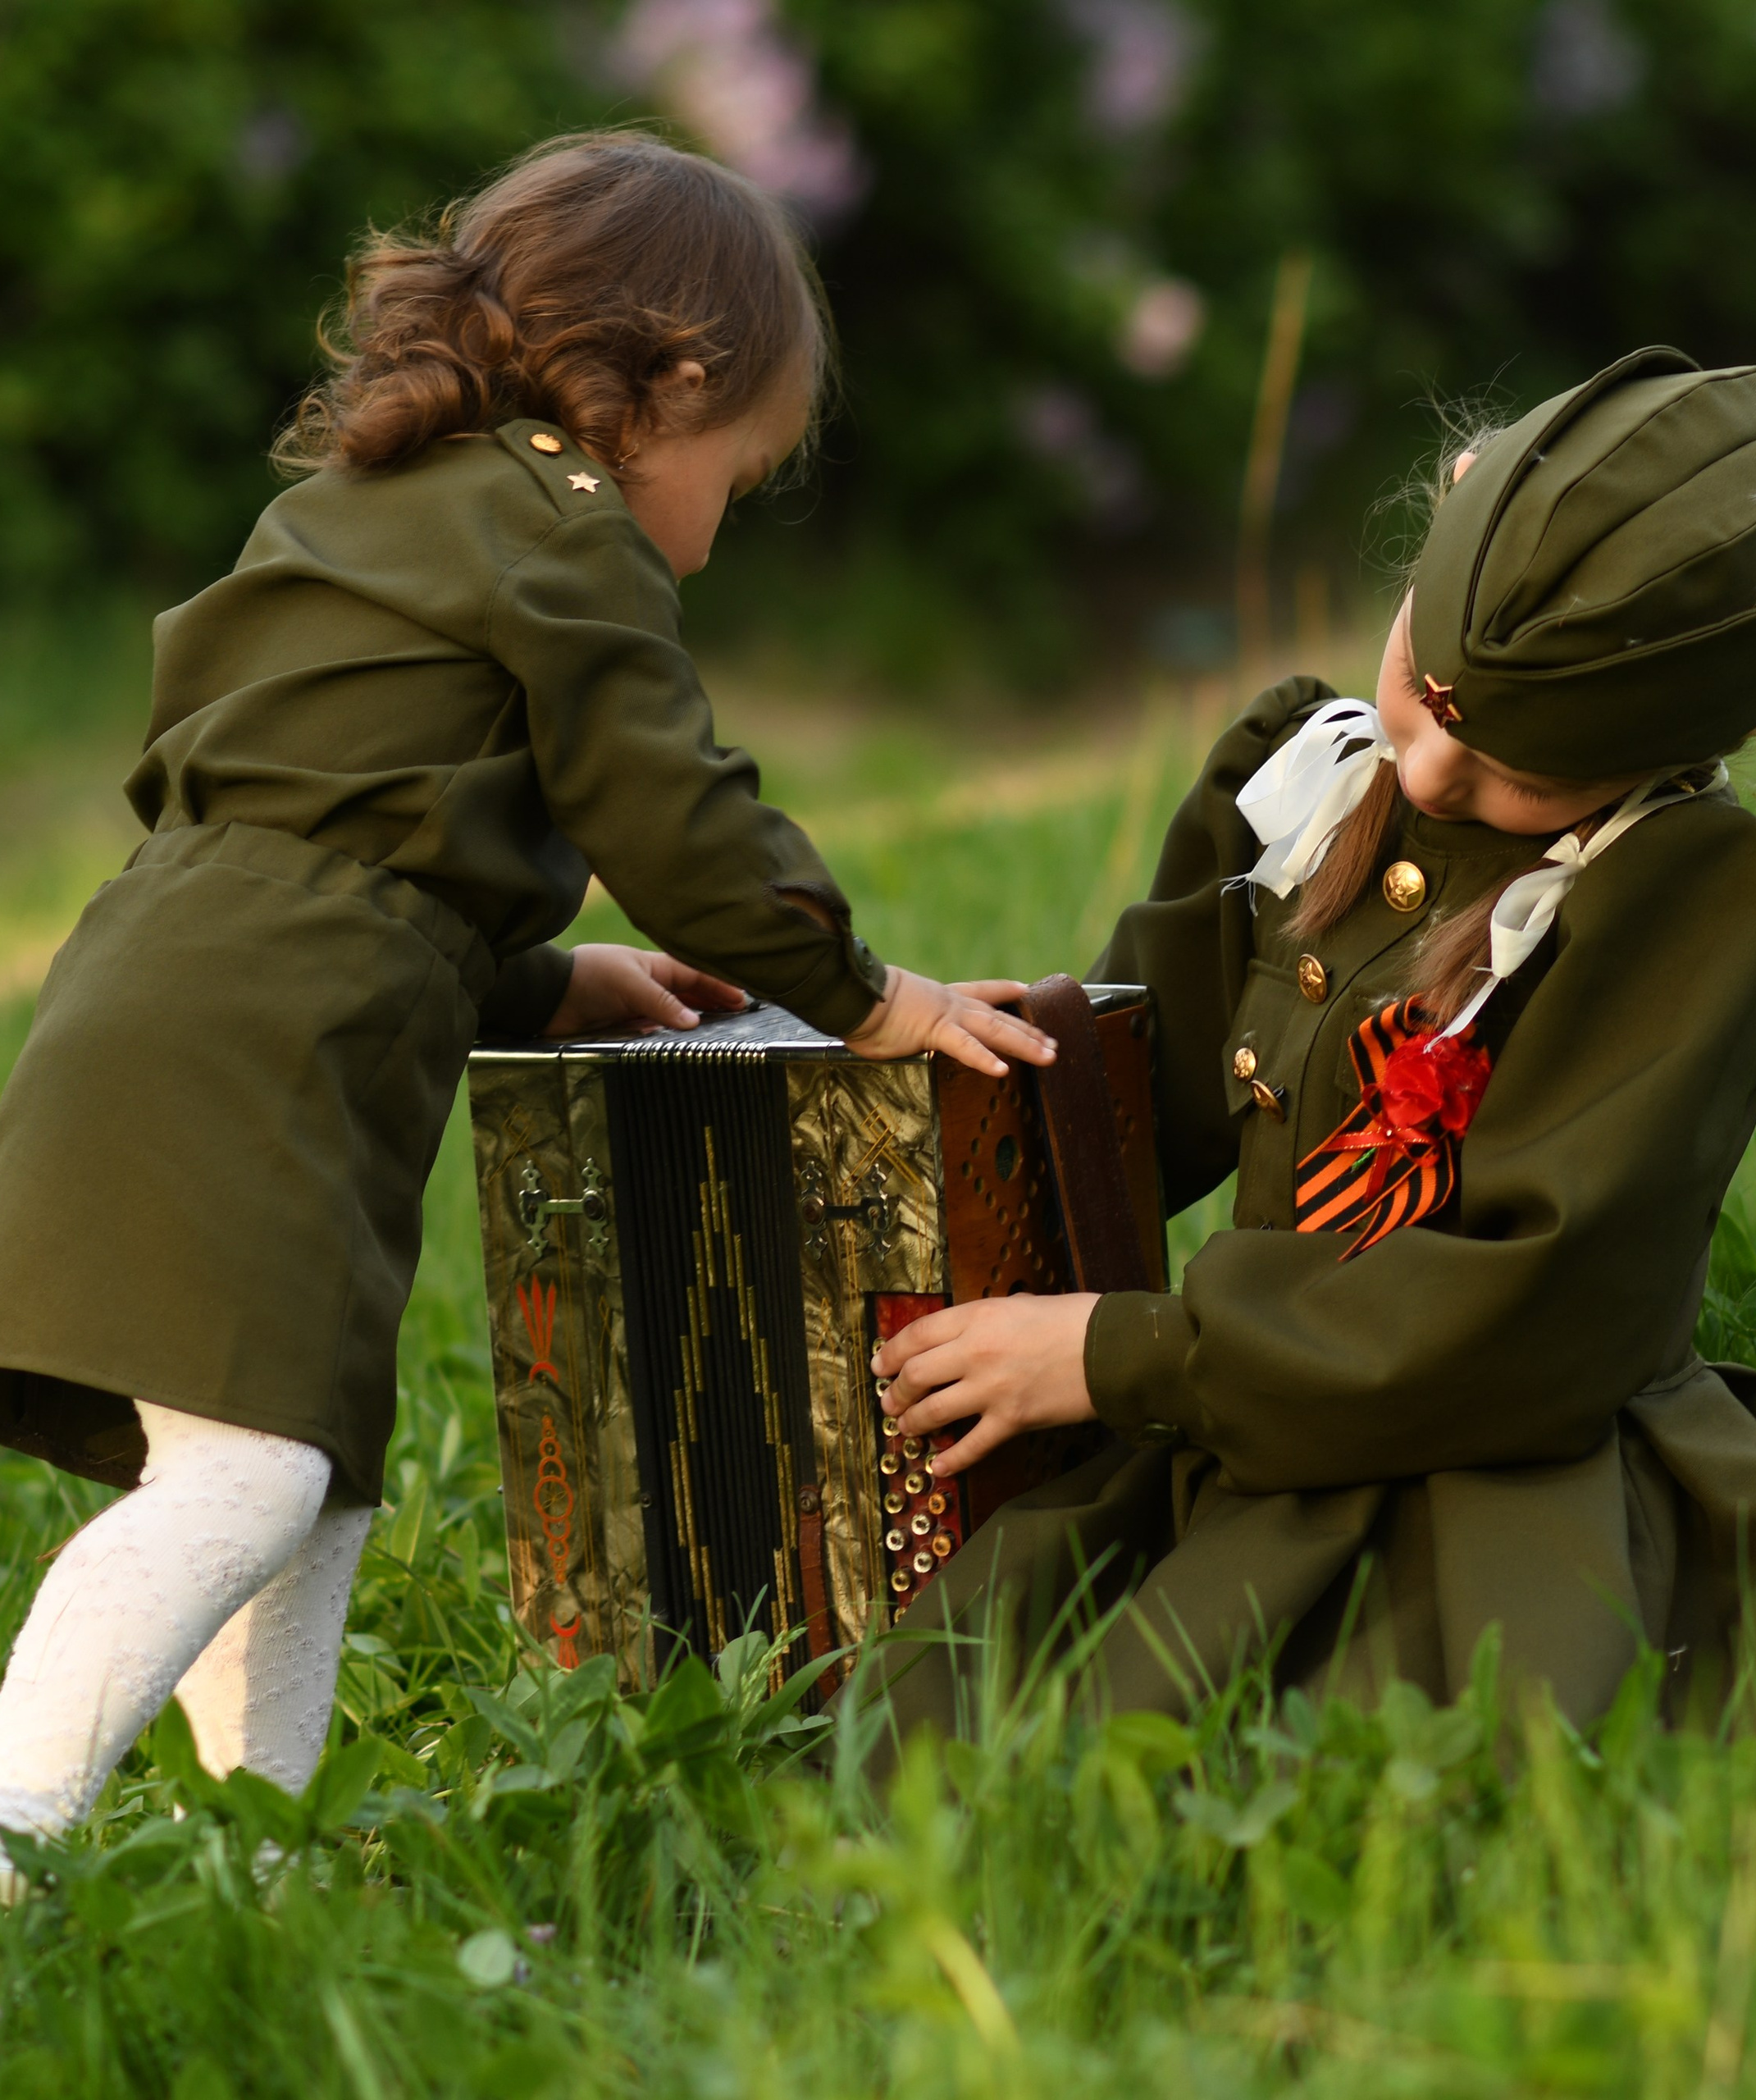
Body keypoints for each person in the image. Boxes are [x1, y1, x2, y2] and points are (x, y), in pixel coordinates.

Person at [0, 131, 1051, 1845]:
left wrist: (548, 979)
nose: (709, 542)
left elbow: (327, 816)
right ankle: (14, 1824)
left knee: (306, 1480)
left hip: (175, 983)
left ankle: (257, 1857)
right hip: (254, 1038)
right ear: (670, 387)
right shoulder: (563, 530)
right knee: (252, 1470)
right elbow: (676, 812)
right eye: (738, 470)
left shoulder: (366, 508)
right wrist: (864, 995)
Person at [868, 347, 1756, 1738]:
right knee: (918, 1731)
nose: (1436, 773)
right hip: (1241, 1409)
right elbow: (1148, 1102)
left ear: (1707, 735)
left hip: (1485, 1467)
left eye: (1524, 773)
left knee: (1322, 1779)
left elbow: (1536, 1304)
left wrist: (1121, 1356)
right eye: (1425, 689)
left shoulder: (1671, 898)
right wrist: (981, 1088)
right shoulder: (1317, 784)